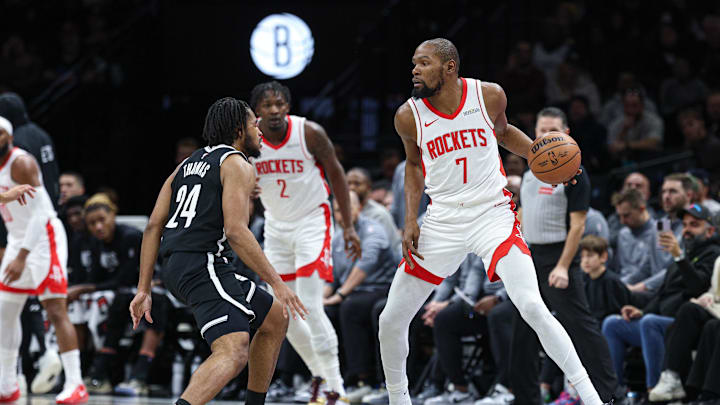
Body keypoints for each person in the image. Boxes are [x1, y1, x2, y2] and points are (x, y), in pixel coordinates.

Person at [378, 38, 611, 405]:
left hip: (492, 214)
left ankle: (592, 398)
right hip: (442, 220)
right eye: (413, 64)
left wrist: (546, 158)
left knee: (532, 306)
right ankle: (398, 400)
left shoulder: (488, 95)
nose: (415, 70)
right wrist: (411, 218)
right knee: (390, 320)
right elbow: (412, 165)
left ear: (449, 67)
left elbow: (504, 134)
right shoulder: (408, 116)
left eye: (423, 63)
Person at [128, 97, 306, 405]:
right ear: (239, 130)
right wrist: (278, 283)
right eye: (254, 123)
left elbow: (153, 226)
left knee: (275, 318)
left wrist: (143, 289)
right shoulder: (237, 163)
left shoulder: (189, 163)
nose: (260, 129)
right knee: (233, 350)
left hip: (182, 265)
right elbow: (237, 232)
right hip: (202, 264)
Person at [250, 81, 361, 402]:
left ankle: (336, 389)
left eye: (279, 104)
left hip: (313, 221)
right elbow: (237, 177)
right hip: (276, 227)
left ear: (288, 106)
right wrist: (247, 187)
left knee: (310, 305)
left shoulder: (308, 132)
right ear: (256, 110)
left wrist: (349, 226)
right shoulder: (247, 139)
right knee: (283, 313)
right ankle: (320, 375)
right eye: (267, 105)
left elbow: (337, 174)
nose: (274, 110)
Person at [512, 107, 617, 405]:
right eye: (541, 130)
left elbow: (579, 225)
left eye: (552, 130)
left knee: (580, 326)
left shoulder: (574, 172)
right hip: (530, 256)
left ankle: (610, 395)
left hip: (559, 256)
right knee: (521, 328)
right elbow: (522, 213)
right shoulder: (531, 170)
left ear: (565, 134)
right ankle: (525, 397)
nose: (545, 135)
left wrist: (561, 266)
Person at [0, 116, 87, 403]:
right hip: (17, 238)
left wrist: (22, 257)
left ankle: (76, 383)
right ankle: (8, 386)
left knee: (55, 308)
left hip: (43, 238)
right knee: (5, 311)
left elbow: (39, 213)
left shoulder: (21, 163)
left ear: (8, 137)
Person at [602, 203, 720, 392]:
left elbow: (697, 288)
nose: (687, 230)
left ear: (710, 230)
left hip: (683, 325)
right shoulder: (683, 255)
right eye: (686, 225)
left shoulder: (713, 254)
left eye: (695, 225)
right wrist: (641, 311)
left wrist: (679, 257)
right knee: (612, 324)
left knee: (651, 322)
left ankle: (655, 391)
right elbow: (662, 294)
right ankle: (615, 392)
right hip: (660, 318)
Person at [323, 191, 395, 401]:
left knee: (351, 307)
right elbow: (331, 276)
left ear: (359, 208)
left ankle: (366, 380)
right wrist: (320, 301)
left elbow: (365, 265)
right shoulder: (337, 237)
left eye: (347, 208)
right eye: (338, 210)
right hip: (353, 293)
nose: (342, 214)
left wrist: (340, 294)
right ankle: (336, 380)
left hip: (382, 288)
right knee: (322, 313)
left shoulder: (374, 229)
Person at [649, 255, 720, 402]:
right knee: (687, 311)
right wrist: (707, 297)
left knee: (712, 327)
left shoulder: (711, 252)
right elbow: (714, 291)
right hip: (716, 308)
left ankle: (708, 395)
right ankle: (674, 379)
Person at [612, 188, 672, 293]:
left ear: (642, 209)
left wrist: (637, 287)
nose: (622, 221)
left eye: (626, 215)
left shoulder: (662, 228)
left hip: (652, 290)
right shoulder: (623, 233)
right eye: (619, 216)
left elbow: (665, 269)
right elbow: (621, 270)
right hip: (625, 287)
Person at [346, 167, 401, 257]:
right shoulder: (341, 212)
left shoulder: (379, 214)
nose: (352, 187)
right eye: (348, 183)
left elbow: (391, 249)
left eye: (357, 184)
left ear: (368, 187)